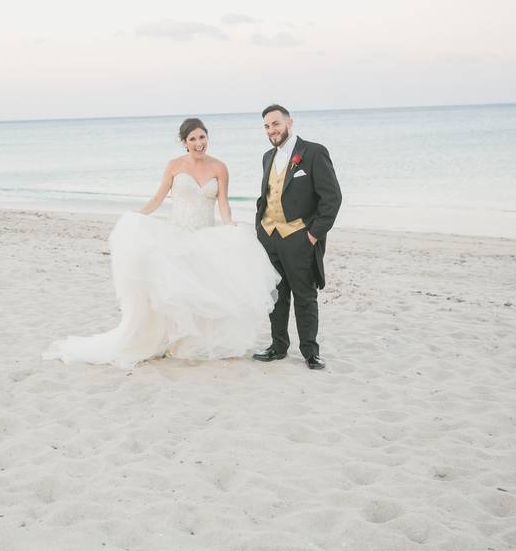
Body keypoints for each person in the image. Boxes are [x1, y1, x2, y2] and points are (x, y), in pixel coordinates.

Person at [44, 118, 279, 369]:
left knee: (201, 289)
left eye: (202, 137)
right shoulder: (174, 166)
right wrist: (136, 217)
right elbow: (158, 199)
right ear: (184, 142)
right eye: (193, 139)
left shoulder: (220, 167)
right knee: (176, 291)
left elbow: (222, 203)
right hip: (176, 236)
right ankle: (168, 340)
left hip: (205, 236)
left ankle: (189, 342)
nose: (199, 143)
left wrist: (229, 224)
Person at [253, 104, 342, 370]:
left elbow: (332, 198)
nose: (272, 130)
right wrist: (260, 228)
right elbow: (267, 195)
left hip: (299, 237)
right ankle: (278, 347)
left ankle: (310, 352)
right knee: (277, 296)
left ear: (289, 122)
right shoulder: (267, 156)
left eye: (276, 124)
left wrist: (313, 235)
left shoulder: (313, 152)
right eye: (267, 126)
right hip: (270, 236)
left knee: (305, 296)